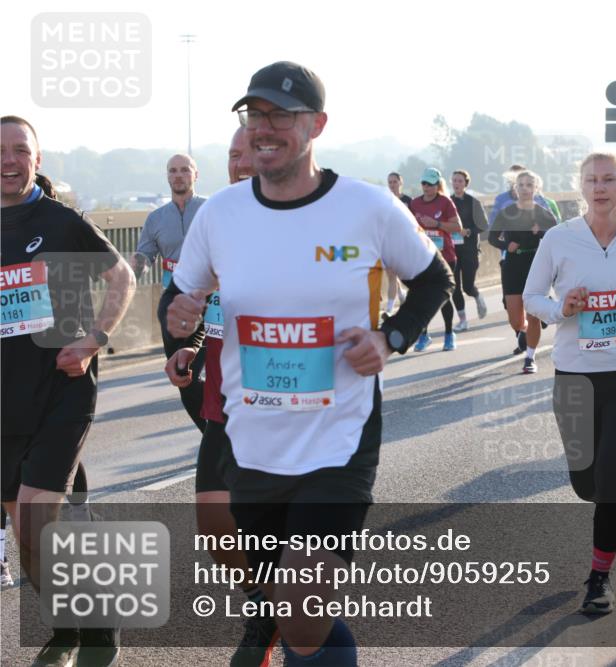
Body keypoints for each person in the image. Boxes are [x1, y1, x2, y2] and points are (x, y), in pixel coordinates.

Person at [164, 61, 452, 666]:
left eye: (280, 116)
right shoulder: (222, 214)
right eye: (254, 116)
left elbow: (434, 279)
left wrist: (391, 337)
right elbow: (178, 295)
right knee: (297, 613)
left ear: (316, 124)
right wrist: (178, 316)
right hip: (254, 443)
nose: (264, 129)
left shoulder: (368, 208)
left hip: (338, 440)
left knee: (299, 594)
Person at [1, 115, 136, 667]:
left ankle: (88, 627)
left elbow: (122, 276)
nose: (8, 160)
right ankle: (71, 625)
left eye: (18, 150)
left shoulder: (60, 221)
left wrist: (94, 339)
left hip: (63, 389)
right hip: (5, 400)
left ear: (37, 158)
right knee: (25, 531)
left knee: (34, 517)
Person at [523, 151, 616, 614]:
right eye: (591, 180)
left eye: (609, 179)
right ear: (581, 188)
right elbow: (532, 296)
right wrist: (560, 309)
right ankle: (596, 516)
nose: (600, 187)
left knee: (610, 479)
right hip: (574, 377)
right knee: (585, 484)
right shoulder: (557, 239)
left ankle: (600, 577)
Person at [159, 126, 279, 667]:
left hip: (285, 408)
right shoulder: (217, 222)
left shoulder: (302, 224)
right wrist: (189, 346)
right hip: (223, 405)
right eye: (233, 154)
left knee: (287, 537)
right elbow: (198, 302)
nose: (240, 163)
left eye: (251, 152)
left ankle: (290, 621)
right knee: (214, 527)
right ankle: (262, 604)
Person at [131, 153, 208, 431]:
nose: (178, 175)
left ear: (195, 175)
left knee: (207, 372)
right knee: (183, 378)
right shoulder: (155, 219)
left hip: (211, 301)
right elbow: (144, 256)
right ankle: (210, 435)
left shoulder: (211, 210)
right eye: (173, 171)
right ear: (167, 176)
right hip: (174, 306)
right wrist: (129, 274)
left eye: (184, 170)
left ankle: (220, 442)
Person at [489, 170, 557, 373]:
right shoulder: (506, 213)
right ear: (515, 188)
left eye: (529, 185)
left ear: (536, 189)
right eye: (521, 185)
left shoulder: (543, 213)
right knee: (516, 321)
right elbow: (492, 238)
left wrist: (541, 232)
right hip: (512, 266)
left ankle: (530, 357)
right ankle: (526, 332)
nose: (525, 188)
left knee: (533, 315)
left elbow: (557, 235)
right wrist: (506, 244)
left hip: (535, 263)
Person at [410, 167, 463, 352]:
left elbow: (457, 227)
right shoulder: (415, 204)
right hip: (422, 256)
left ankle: (449, 334)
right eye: (424, 183)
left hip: (445, 256)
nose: (426, 187)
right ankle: (424, 335)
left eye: (431, 184)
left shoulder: (445, 202)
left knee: (443, 297)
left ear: (438, 185)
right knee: (421, 297)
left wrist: (437, 224)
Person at [450, 170, 489, 330]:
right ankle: (462, 320)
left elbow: (483, 225)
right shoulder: (447, 202)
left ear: (465, 183)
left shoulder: (473, 202)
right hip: (451, 250)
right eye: (454, 181)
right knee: (454, 286)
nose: (456, 184)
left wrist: (469, 231)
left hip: (470, 249)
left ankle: (478, 296)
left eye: (460, 181)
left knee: (467, 286)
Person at [385, 172, 411, 313]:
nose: (392, 185)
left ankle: (401, 295)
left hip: (405, 242)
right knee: (391, 274)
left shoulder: (408, 201)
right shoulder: (385, 199)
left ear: (401, 183)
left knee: (395, 274)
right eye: (390, 182)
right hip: (388, 242)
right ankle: (390, 308)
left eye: (395, 182)